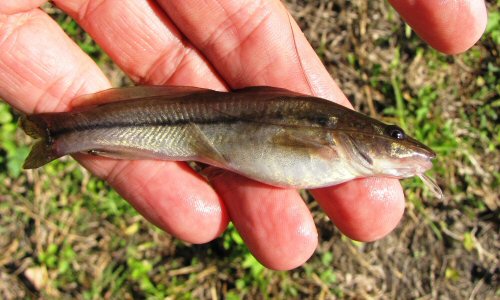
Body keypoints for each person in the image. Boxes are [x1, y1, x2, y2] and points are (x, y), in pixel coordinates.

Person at [0, 0, 486, 270]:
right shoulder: (329, 130)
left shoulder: (338, 143)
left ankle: (65, 135)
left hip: (209, 130)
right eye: (392, 134)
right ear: (357, 129)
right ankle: (64, 133)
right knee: (174, 126)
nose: (403, 147)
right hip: (198, 124)